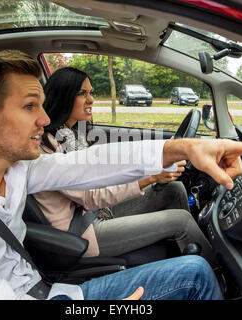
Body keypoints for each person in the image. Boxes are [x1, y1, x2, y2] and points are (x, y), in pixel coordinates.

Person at [0, 50, 242, 300]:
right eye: (29, 107)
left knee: (194, 272)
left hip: (50, 291)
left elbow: (89, 164)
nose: (45, 119)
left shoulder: (16, 167)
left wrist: (182, 148)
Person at [33, 66, 217, 266]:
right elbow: (91, 196)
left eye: (91, 93)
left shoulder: (72, 135)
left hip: (95, 212)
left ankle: (181, 253)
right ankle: (217, 275)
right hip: (82, 233)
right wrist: (151, 177)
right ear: (63, 96)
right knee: (181, 221)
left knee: (174, 188)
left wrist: (158, 159)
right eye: (82, 93)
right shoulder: (48, 147)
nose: (91, 100)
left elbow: (104, 172)